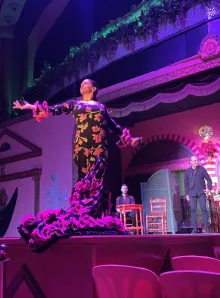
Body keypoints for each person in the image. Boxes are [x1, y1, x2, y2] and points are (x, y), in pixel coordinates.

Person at [13, 79, 144, 251]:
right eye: (81, 84)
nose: (82, 85)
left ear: (94, 88)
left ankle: (94, 217)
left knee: (96, 181)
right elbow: (54, 109)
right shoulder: (75, 104)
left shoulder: (101, 108)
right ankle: (85, 217)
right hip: (81, 147)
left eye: (86, 83)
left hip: (99, 147)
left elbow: (114, 126)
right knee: (84, 181)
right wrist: (30, 107)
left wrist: (132, 139)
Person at [184, 155, 212, 233]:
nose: (196, 162)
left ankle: (207, 228)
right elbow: (185, 184)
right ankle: (195, 229)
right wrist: (187, 194)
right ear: (190, 162)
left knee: (204, 209)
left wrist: (208, 188)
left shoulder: (202, 169)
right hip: (192, 193)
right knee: (193, 210)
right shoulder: (187, 171)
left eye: (197, 160)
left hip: (201, 192)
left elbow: (209, 180)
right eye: (195, 160)